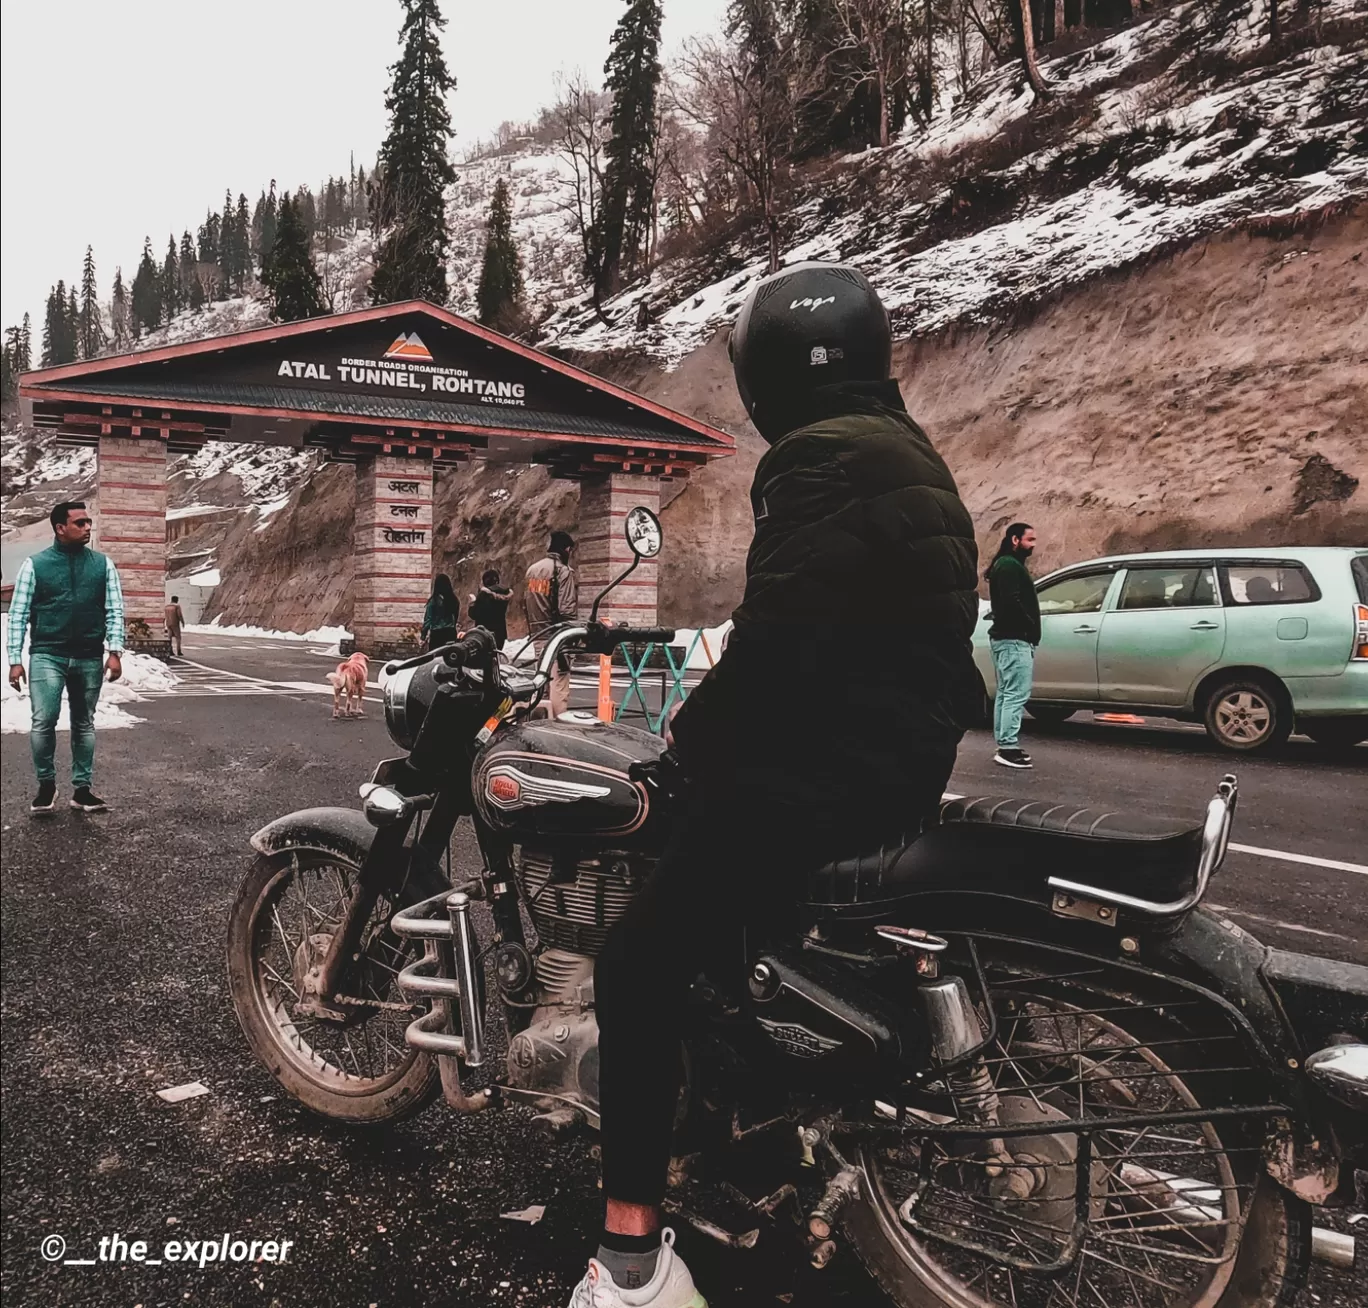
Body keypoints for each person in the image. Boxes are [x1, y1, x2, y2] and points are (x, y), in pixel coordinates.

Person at [567, 262, 980, 1308]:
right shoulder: (905, 449)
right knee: (722, 923)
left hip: (827, 771)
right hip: (895, 754)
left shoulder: (820, 456)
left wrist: (688, 744)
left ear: (770, 373)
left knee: (638, 965)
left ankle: (632, 1264)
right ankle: (745, 1139)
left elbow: (782, 637)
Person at [7, 500, 126, 815]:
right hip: (47, 654)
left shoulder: (103, 565)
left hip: (88, 655)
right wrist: (14, 660)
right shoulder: (35, 565)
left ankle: (82, 791)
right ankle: (46, 787)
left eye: (88, 522)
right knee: (43, 722)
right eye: (80, 523)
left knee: (84, 723)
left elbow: (115, 610)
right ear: (60, 528)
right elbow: (17, 615)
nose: (87, 527)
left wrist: (115, 651)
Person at [986, 522, 1040, 770]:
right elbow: (1011, 602)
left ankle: (1005, 744)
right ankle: (1007, 747)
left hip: (1009, 639)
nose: (1033, 545)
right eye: (1029, 540)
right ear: (1015, 540)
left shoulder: (1008, 564)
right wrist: (1028, 626)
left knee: (1007, 693)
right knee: (1016, 694)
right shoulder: (1008, 565)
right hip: (1014, 639)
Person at [524, 531, 577, 719]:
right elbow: (566, 609)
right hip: (557, 637)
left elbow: (526, 604)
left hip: (538, 634)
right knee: (559, 685)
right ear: (566, 549)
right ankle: (558, 725)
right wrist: (572, 634)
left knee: (541, 683)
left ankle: (537, 722)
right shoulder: (562, 572)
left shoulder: (532, 570)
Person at [468, 569, 511, 649]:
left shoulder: (484, 595)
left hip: (485, 632)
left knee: (486, 657)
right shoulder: (505, 593)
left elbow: (474, 614)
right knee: (497, 655)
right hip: (500, 632)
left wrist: (472, 603)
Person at [422, 574, 460, 650]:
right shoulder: (454, 600)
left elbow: (428, 620)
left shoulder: (434, 601)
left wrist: (423, 636)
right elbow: (455, 617)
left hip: (437, 634)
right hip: (450, 632)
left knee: (436, 658)